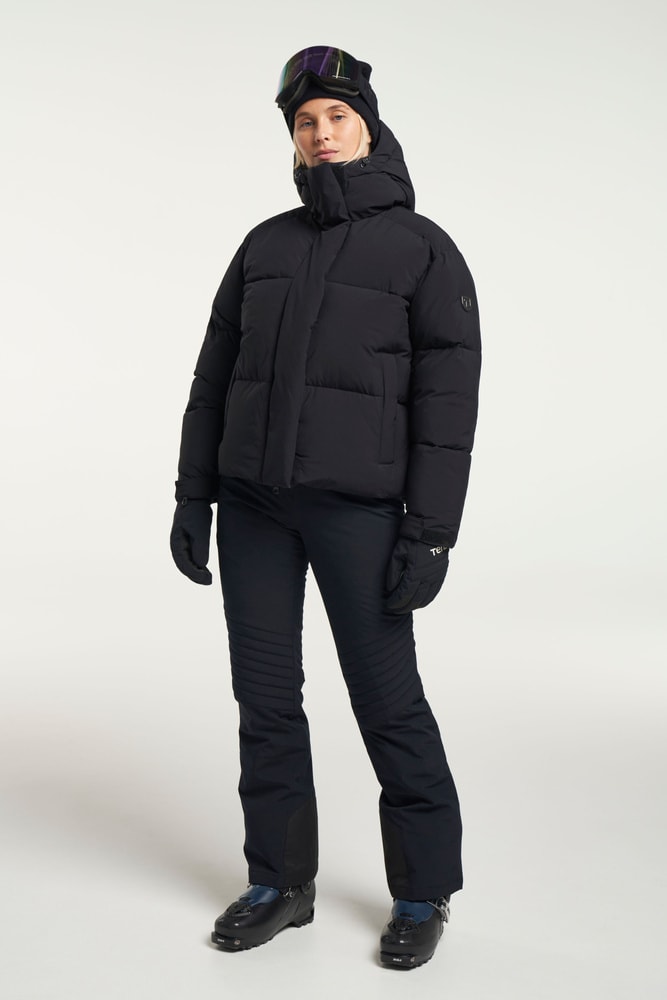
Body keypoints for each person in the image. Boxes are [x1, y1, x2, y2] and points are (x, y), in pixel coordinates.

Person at [170, 45, 481, 969]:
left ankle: (422, 892)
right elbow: (214, 377)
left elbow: (447, 407)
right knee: (265, 700)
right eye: (305, 122)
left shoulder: (422, 249)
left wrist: (429, 533)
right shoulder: (264, 245)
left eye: (337, 116)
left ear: (368, 127)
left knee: (387, 702)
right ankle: (280, 882)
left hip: (361, 515)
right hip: (253, 509)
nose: (321, 132)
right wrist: (193, 494)